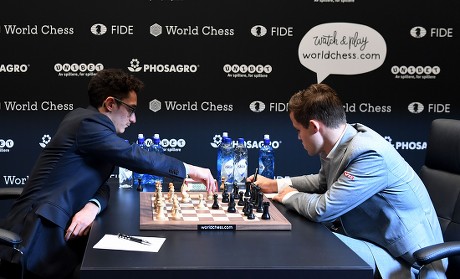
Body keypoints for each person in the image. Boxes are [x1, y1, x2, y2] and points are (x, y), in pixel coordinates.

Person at [0, 69, 217, 279]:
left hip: (62, 230)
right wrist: (192, 169)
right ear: (110, 103)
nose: (133, 120)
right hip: (35, 237)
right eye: (131, 110)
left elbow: (102, 184)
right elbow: (134, 156)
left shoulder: (92, 128)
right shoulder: (88, 124)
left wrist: (92, 205)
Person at [248, 83, 447, 278]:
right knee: (306, 234)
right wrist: (276, 184)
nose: (298, 137)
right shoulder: (339, 141)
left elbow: (323, 209)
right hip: (373, 240)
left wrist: (288, 196)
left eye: (298, 130)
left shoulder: (369, 154)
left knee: (312, 243)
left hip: (409, 260)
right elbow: (323, 183)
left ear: (314, 126)